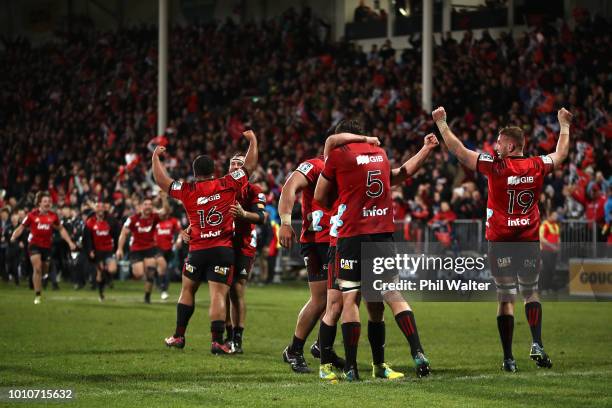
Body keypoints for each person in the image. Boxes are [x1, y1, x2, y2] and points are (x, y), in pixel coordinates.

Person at [432, 106, 572, 371]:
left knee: (505, 297)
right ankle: (537, 343)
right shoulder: (536, 165)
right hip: (529, 241)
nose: (495, 146)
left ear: (510, 145)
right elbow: (561, 153)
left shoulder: (495, 166)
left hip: (501, 242)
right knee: (531, 292)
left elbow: (459, 151)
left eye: (498, 142)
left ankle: (508, 358)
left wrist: (441, 124)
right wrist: (564, 125)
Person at [315, 119, 438, 381]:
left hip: (347, 236)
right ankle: (328, 364)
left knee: (348, 302)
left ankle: (362, 366)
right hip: (377, 235)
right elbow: (401, 174)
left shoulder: (339, 155)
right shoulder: (379, 154)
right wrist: (425, 150)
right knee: (366, 302)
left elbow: (320, 198)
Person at [278, 131, 378, 373]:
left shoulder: (353, 168)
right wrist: (285, 221)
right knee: (322, 298)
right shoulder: (314, 165)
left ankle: (323, 347)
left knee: (347, 297)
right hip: (318, 241)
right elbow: (289, 187)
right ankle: (293, 350)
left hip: (341, 240)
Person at [155, 130, 258, 354]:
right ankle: (217, 342)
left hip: (197, 250)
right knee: (219, 296)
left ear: (194, 173)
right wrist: (252, 141)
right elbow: (250, 165)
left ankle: (179, 336)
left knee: (187, 291)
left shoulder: (188, 190)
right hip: (222, 250)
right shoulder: (227, 183)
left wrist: (156, 157)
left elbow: (163, 181)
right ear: (214, 170)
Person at [224, 153, 267, 354]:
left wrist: (243, 215)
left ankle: (237, 339)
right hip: (221, 243)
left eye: (239, 163)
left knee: (236, 289)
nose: (234, 166)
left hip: (243, 244)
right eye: (232, 163)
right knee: (221, 289)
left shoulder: (253, 190)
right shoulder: (220, 187)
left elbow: (261, 217)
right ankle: (226, 334)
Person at [10, 191, 76, 304]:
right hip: (34, 245)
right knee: (37, 268)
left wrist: (70, 242)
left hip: (47, 246)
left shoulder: (53, 216)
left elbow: (61, 229)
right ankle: (37, 295)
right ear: (39, 203)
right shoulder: (32, 215)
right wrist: (13, 236)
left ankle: (44, 276)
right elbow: (21, 227)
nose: (47, 203)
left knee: (45, 268)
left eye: (49, 201)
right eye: (45, 201)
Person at [116, 196, 169, 303]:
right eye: (145, 204)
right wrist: (119, 249)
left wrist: (164, 198)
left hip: (150, 248)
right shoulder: (132, 219)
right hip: (136, 250)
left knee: (150, 272)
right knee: (139, 274)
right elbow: (123, 233)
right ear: (141, 207)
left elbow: (166, 211)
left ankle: (147, 296)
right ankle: (152, 281)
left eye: (150, 204)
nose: (148, 206)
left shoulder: (154, 217)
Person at [84, 202, 119, 301]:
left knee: (112, 269)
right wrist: (90, 250)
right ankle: (101, 293)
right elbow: (87, 237)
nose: (100, 209)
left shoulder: (110, 221)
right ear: (95, 210)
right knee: (99, 272)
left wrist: (117, 248)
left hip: (108, 250)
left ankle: (106, 280)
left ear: (104, 209)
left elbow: (116, 234)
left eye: (102, 207)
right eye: (98, 207)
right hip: (97, 251)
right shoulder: (90, 222)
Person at [154, 206, 182, 300]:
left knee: (164, 270)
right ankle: (163, 290)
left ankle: (158, 283)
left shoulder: (173, 221)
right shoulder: (155, 221)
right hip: (157, 248)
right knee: (163, 266)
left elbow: (180, 232)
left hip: (169, 249)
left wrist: (178, 240)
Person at [539, 211, 560, 292]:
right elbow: (541, 239)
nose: (556, 217)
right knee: (546, 269)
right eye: (554, 215)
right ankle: (543, 288)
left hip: (554, 251)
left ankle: (549, 287)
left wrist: (558, 246)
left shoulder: (556, 226)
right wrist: (552, 246)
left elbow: (558, 238)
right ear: (549, 216)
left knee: (552, 269)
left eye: (556, 216)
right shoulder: (545, 225)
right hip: (546, 251)